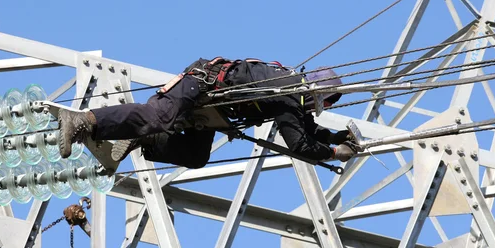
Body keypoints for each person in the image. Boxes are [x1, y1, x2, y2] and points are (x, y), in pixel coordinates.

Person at [57, 57, 358, 169]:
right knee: (158, 116)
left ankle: (142, 141)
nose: (323, 111)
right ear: (319, 94)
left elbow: (306, 129)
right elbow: (300, 145)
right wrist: (333, 152)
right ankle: (84, 120)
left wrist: (337, 137)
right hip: (199, 87)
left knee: (196, 156)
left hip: (212, 108)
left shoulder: (290, 93)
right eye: (326, 104)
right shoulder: (289, 97)